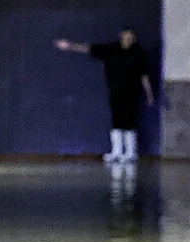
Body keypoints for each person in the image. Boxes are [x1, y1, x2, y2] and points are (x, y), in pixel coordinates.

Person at [55, 28, 154, 163]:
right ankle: (117, 152)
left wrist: (149, 94)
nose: (128, 39)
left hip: (132, 93)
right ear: (121, 37)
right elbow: (89, 49)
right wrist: (70, 46)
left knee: (130, 121)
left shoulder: (139, 53)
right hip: (115, 92)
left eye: (130, 37)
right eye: (125, 36)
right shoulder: (111, 49)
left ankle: (131, 152)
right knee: (117, 120)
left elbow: (144, 75)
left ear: (134, 39)